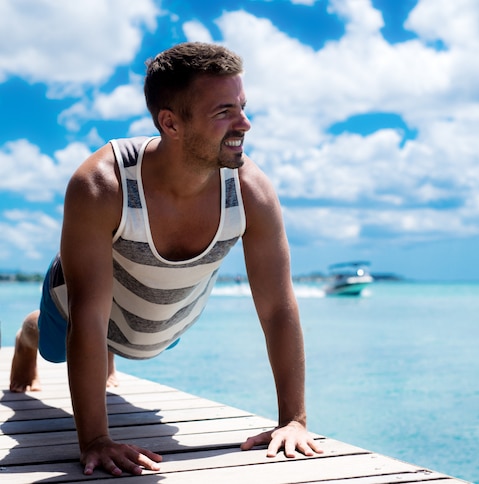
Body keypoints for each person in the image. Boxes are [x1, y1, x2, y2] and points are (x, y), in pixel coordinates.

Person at [9, 42, 322, 476]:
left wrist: (294, 420)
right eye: (224, 112)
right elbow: (89, 315)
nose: (245, 124)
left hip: (161, 318)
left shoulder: (251, 192)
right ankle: (28, 337)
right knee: (54, 338)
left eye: (243, 107)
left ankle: (112, 355)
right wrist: (96, 440)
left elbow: (276, 307)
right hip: (77, 304)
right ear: (170, 123)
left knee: (127, 336)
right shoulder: (103, 184)